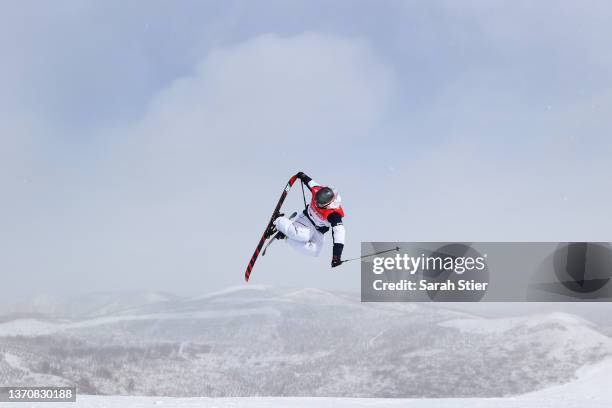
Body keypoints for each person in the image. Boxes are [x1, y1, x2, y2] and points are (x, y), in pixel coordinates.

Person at [272, 172, 345, 267]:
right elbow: (309, 181)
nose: (317, 203)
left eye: (320, 204)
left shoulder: (334, 213)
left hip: (318, 230)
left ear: (329, 203)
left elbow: (339, 233)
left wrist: (336, 256)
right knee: (303, 236)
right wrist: (302, 175)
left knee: (314, 251)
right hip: (306, 219)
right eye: (316, 200)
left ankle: (285, 235)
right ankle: (278, 220)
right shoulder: (316, 190)